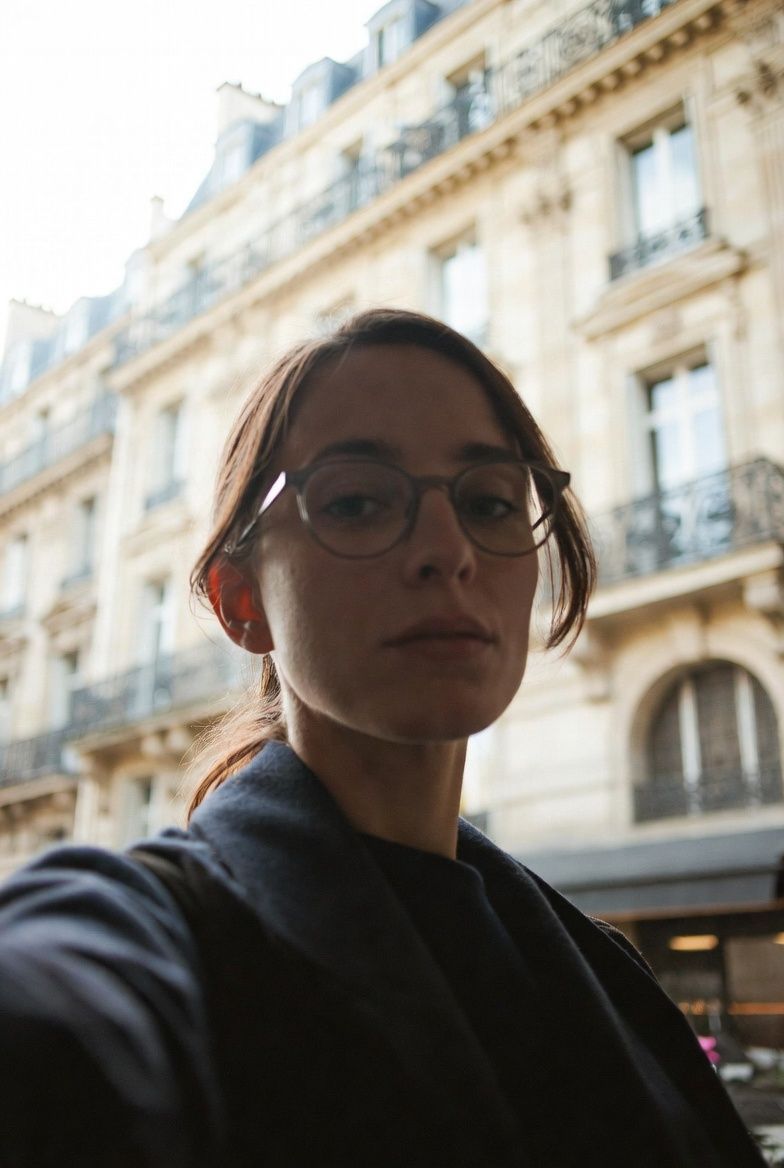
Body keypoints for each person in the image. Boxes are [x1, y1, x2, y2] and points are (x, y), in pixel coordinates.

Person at [0, 309, 764, 1167]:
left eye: (490, 502)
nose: (448, 550)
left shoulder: (609, 972)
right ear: (241, 600)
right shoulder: (155, 932)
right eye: (356, 501)